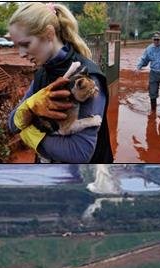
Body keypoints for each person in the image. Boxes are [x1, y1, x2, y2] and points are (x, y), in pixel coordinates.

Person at [7, 2, 113, 163]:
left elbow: (79, 153)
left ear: (49, 34)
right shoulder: (42, 72)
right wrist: (29, 106)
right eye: (17, 46)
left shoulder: (87, 78)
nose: (21, 54)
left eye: (25, 44)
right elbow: (12, 123)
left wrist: (29, 134)